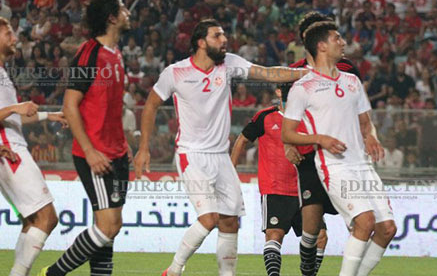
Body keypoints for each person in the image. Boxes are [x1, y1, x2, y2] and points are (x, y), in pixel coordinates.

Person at [134, 19, 308, 276]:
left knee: (229, 222)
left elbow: (270, 73)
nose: (224, 40)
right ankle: (174, 269)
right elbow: (150, 105)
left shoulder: (230, 64)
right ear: (201, 42)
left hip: (220, 157)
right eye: (217, 36)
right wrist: (143, 147)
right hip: (191, 154)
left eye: (224, 35)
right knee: (209, 218)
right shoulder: (176, 72)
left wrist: (307, 72)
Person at [282, 21, 397, 276]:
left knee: (387, 228)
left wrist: (371, 138)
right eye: (337, 38)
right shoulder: (303, 87)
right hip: (334, 165)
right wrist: (320, 139)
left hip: (362, 164)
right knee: (365, 222)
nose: (343, 42)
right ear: (321, 46)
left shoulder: (352, 81)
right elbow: (287, 133)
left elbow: (366, 122)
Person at [40, 0, 131, 276]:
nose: (128, 11)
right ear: (112, 18)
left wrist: (122, 145)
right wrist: (90, 151)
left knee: (108, 227)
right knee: (109, 225)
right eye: (122, 8)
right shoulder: (89, 53)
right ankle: (54, 273)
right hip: (95, 154)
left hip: (117, 153)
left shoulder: (116, 53)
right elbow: (70, 105)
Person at [230, 88, 329, 276]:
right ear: (279, 92)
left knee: (321, 237)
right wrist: (230, 172)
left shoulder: (309, 117)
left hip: (305, 187)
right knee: (274, 235)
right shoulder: (265, 117)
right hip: (276, 188)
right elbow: (242, 140)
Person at [0, 16, 67, 276]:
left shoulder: (4, 73)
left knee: (32, 221)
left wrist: (47, 116)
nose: (15, 39)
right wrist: (17, 106)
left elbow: (13, 116)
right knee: (47, 218)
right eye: (8, 34)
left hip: (11, 146)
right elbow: (11, 112)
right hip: (10, 150)